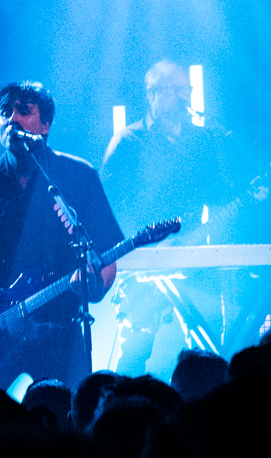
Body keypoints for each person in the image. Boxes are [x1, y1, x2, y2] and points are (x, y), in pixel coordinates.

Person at [0, 82, 122, 390]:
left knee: (65, 420)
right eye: (4, 112)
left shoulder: (78, 176)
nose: (12, 120)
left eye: (23, 111)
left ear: (46, 124)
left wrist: (96, 286)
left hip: (60, 330)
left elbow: (106, 251)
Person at [100, 60, 241, 372]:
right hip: (142, 261)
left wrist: (247, 195)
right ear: (151, 94)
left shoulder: (203, 140)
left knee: (207, 344)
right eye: (173, 90)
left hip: (193, 257)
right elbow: (105, 205)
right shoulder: (127, 141)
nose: (182, 96)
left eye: (185, 89)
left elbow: (218, 196)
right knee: (138, 349)